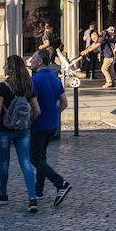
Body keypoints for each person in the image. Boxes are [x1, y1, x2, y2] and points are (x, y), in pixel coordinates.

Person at [0, 54, 41, 212]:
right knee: (25, 162)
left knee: (3, 162)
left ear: (10, 69)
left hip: (4, 129)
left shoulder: (3, 87)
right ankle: (32, 198)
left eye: (5, 65)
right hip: (23, 130)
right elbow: (37, 110)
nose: (4, 68)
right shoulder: (27, 86)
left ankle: (2, 193)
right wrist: (28, 122)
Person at [29, 49, 72, 205]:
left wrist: (30, 122)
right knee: (42, 156)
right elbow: (64, 103)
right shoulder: (55, 79)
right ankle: (39, 189)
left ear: (40, 61)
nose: (31, 60)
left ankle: (60, 183)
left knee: (34, 158)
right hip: (51, 125)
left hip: (39, 125)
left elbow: (33, 108)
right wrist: (54, 114)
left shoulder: (35, 80)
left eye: (33, 58)